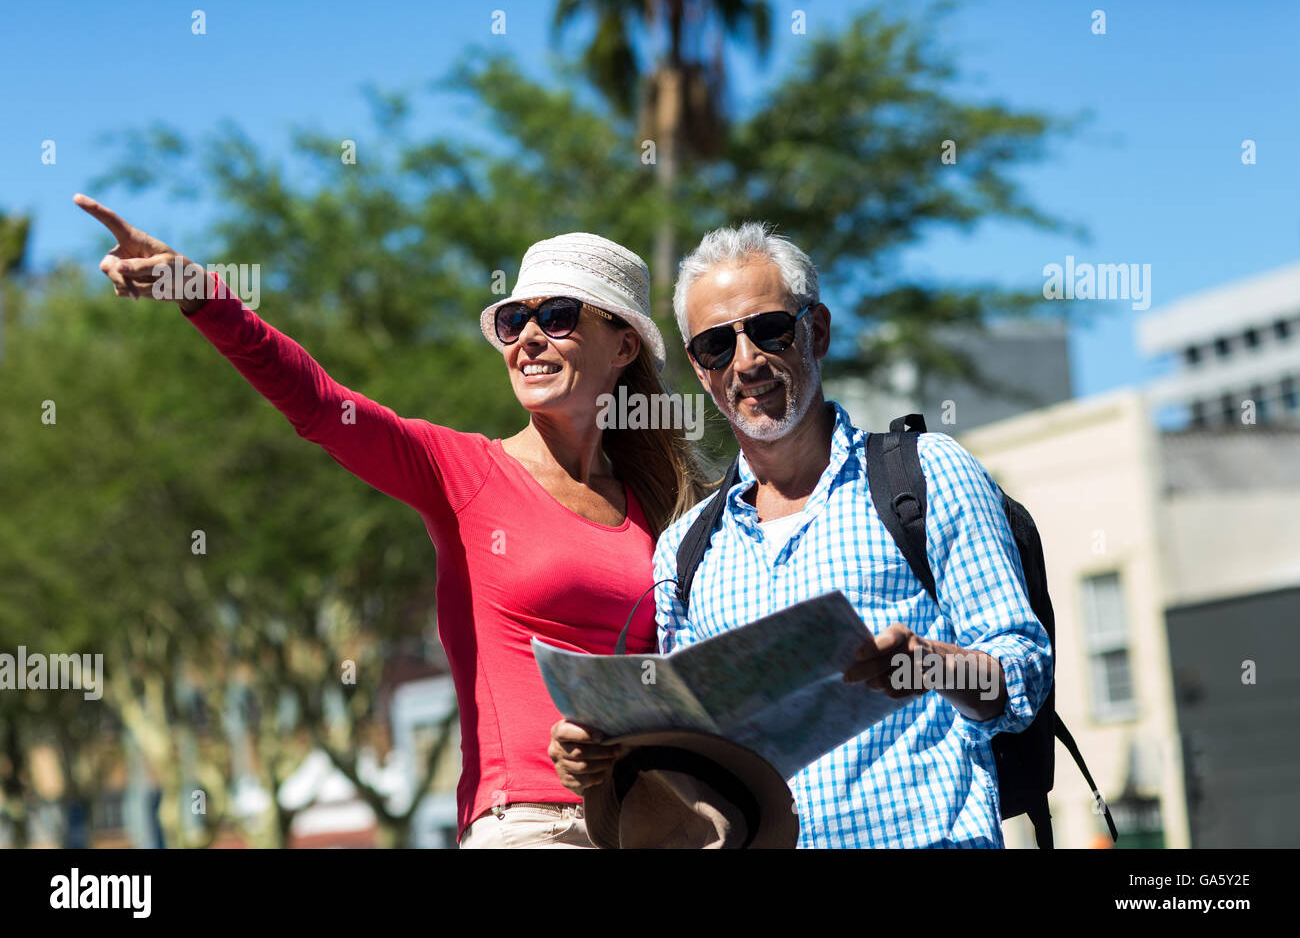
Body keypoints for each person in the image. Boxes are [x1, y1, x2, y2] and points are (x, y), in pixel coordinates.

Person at [74, 193, 708, 848]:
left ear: (624, 344)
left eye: (557, 315)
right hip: (527, 824)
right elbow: (320, 405)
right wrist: (196, 290)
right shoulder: (465, 473)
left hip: (648, 829)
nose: (528, 338)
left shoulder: (657, 509)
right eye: (514, 320)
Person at [550, 222, 1053, 848]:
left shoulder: (927, 474)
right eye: (715, 345)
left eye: (768, 329)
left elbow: (1025, 674)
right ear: (700, 371)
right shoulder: (685, 552)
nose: (746, 360)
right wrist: (600, 760)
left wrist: (935, 666)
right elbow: (693, 762)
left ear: (816, 332)